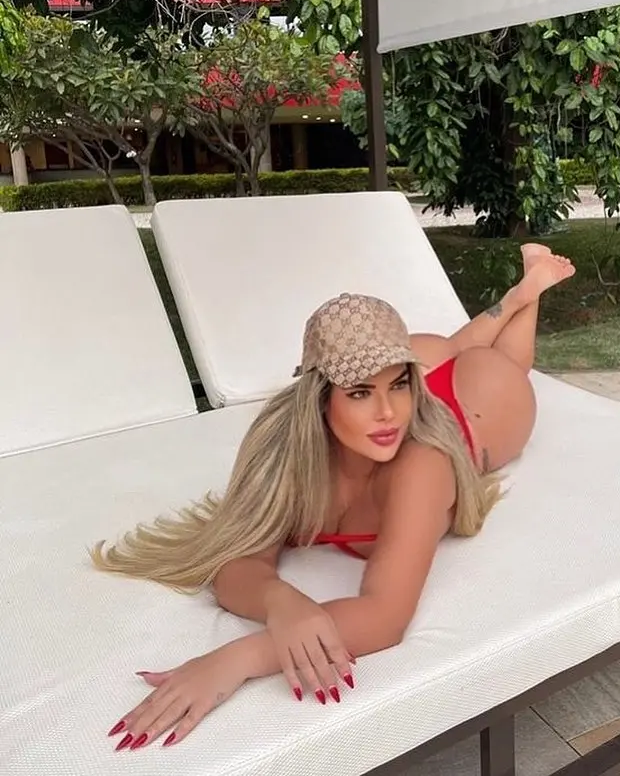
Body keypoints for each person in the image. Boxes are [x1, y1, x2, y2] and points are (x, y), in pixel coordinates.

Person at [91, 243, 575, 752]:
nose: (387, 411)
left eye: (398, 385)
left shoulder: (423, 466)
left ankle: (528, 291)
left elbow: (386, 616)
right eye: (359, 392)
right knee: (449, 345)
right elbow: (241, 555)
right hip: (419, 378)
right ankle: (516, 294)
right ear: (319, 400)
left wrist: (238, 658)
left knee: (502, 361)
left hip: (481, 407)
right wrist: (283, 603)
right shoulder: (287, 448)